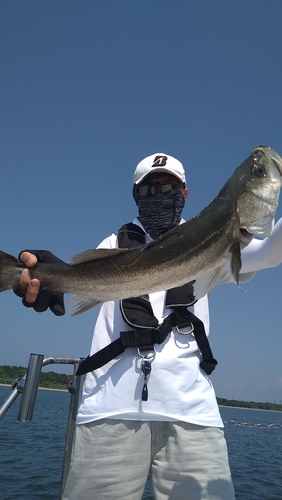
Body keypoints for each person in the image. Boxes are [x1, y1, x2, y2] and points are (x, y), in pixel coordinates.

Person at [15, 153, 282, 500]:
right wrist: (48, 278)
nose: (159, 194)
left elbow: (272, 251)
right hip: (109, 408)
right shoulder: (114, 244)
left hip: (191, 413)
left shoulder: (219, 241)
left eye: (168, 187)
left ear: (184, 193)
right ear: (135, 197)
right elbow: (83, 277)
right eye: (149, 189)